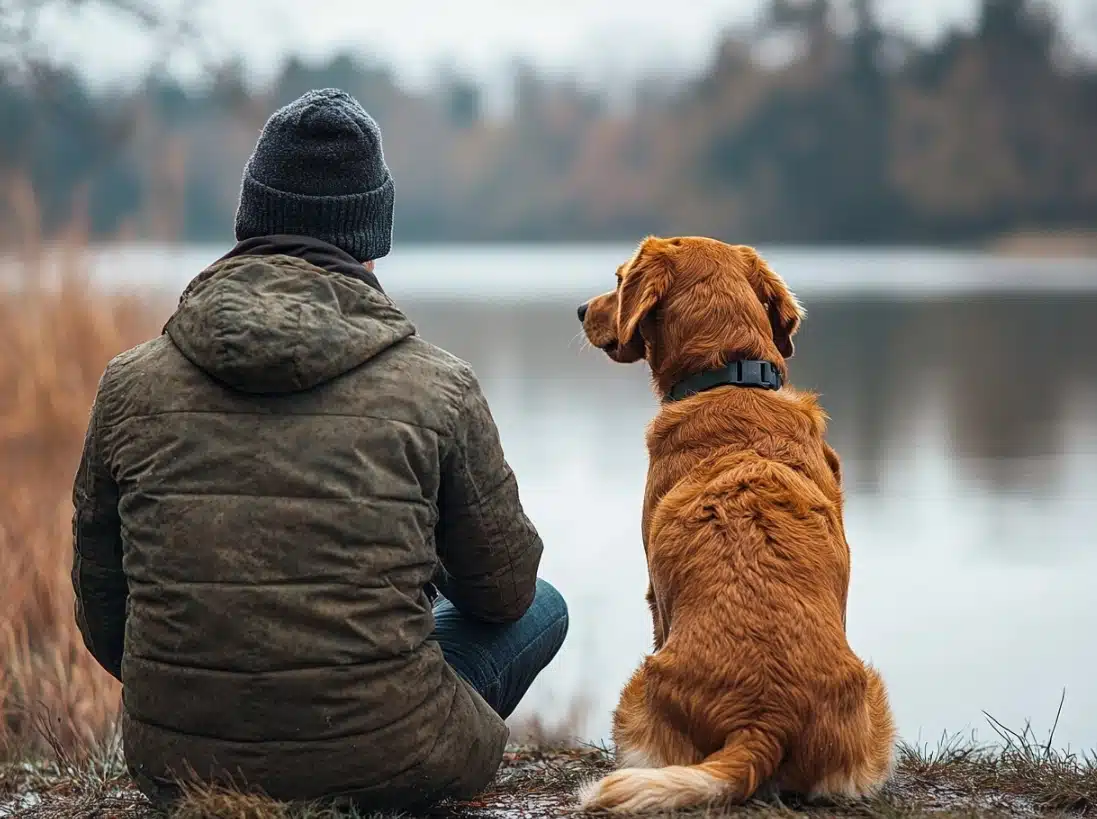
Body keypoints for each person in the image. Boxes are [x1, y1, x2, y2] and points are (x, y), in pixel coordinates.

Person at [70, 87, 568, 810]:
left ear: (250, 219)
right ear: (370, 236)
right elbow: (506, 592)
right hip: (394, 760)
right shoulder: (438, 386)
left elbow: (103, 610)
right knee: (545, 606)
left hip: (181, 765)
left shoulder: (129, 383)